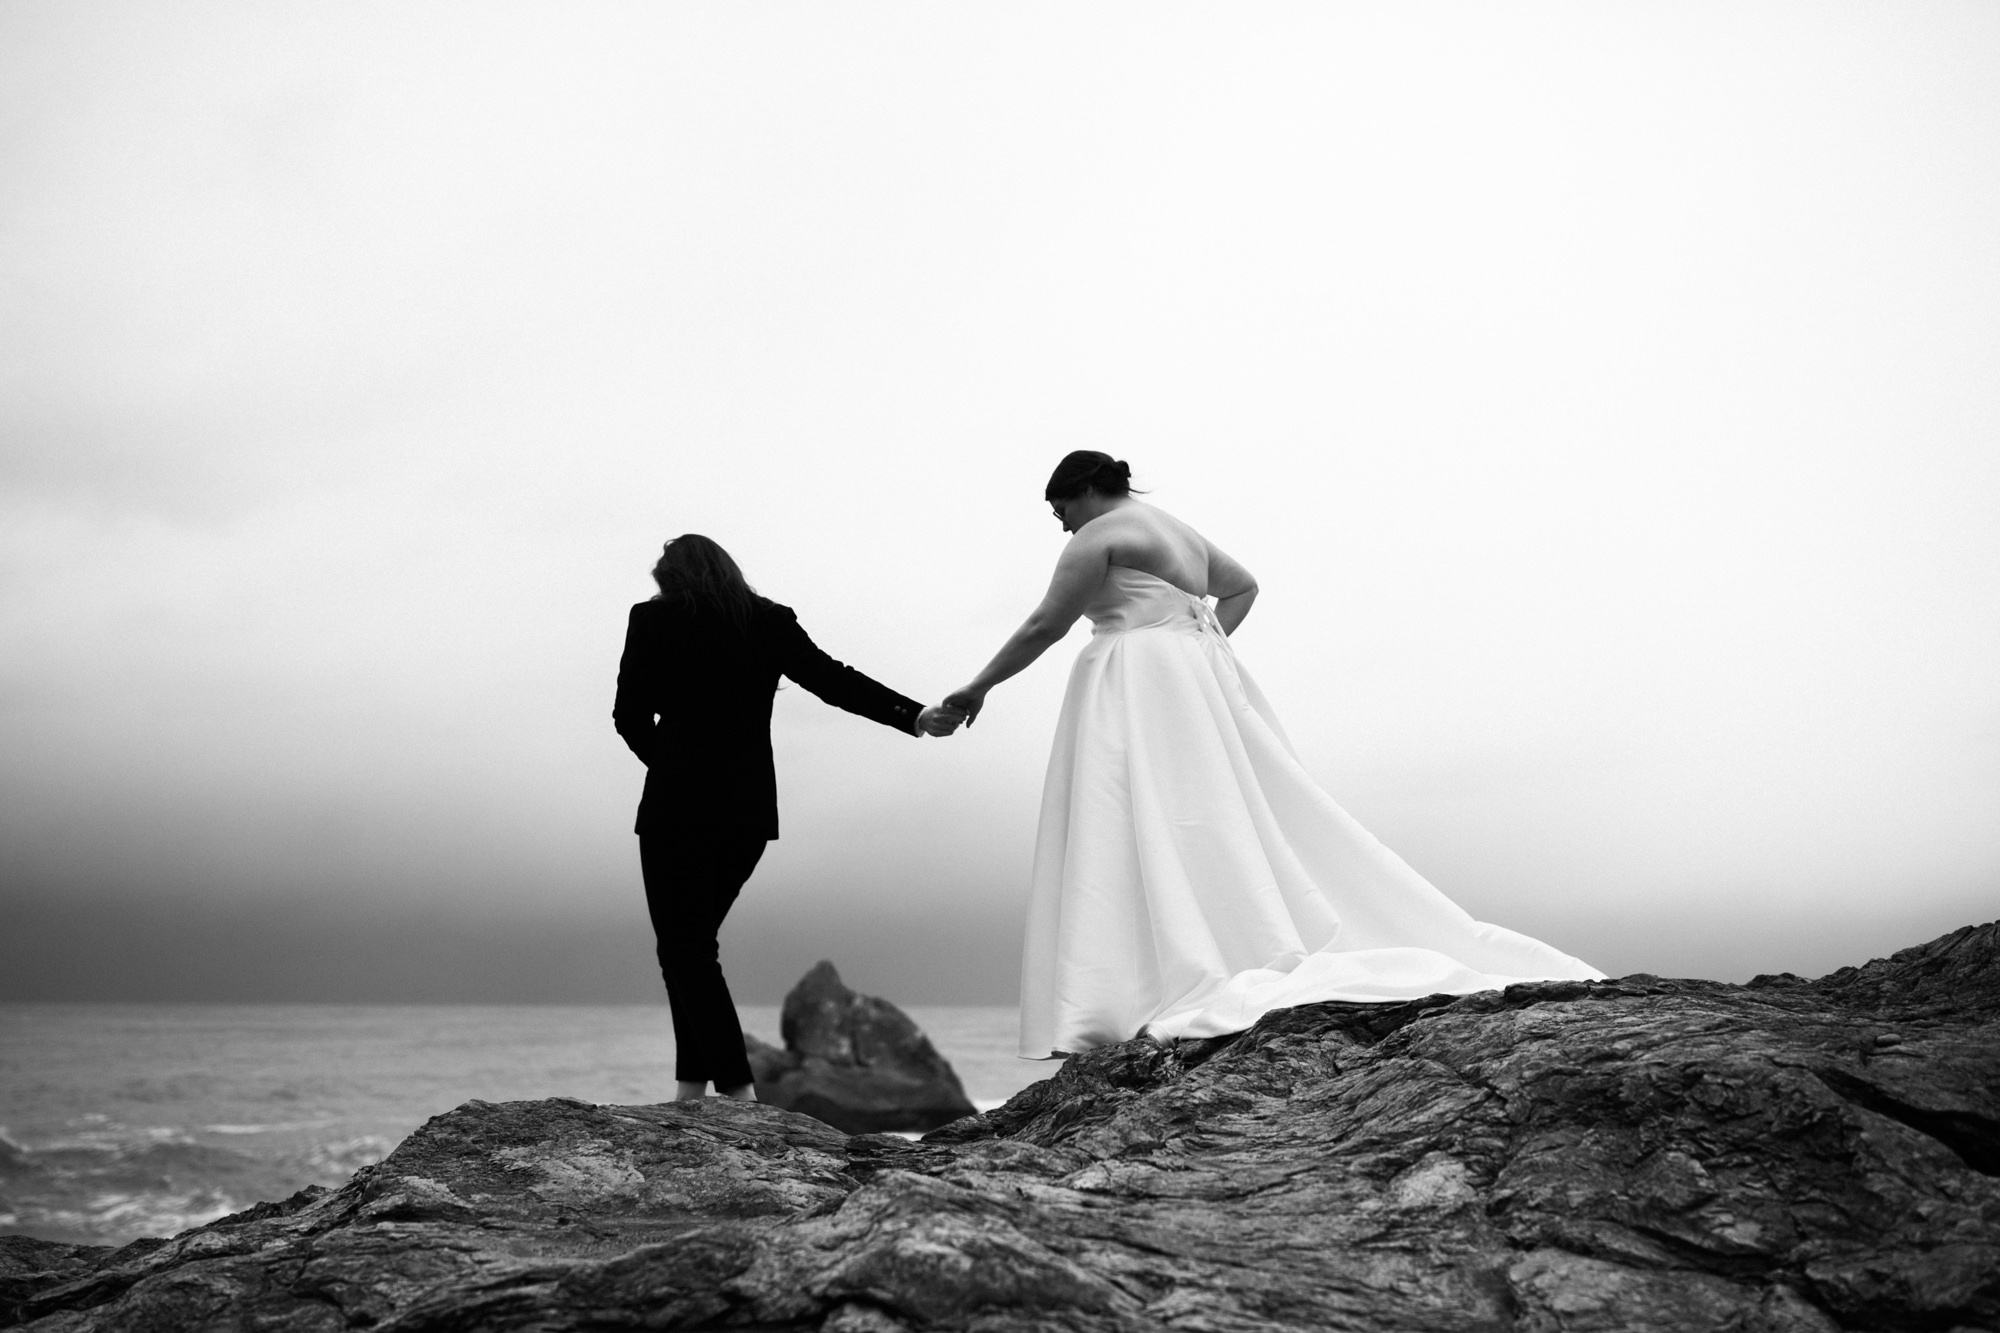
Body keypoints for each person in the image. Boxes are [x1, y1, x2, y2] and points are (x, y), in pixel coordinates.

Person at [946, 452, 1603, 1058]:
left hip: (1136, 677)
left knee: (1132, 814)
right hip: (1187, 679)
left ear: (1084, 489)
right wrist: (1200, 645)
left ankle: (1128, 990)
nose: (1059, 523)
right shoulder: (1178, 529)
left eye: (1058, 506)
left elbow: (1045, 623)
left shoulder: (1100, 536)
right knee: (1201, 811)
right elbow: (1242, 586)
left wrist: (976, 686)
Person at [615, 535, 962, 1100]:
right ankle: (690, 1090)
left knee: (685, 948)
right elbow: (832, 680)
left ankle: (734, 1095)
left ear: (670, 578)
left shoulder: (652, 620)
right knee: (689, 946)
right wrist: (913, 715)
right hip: (746, 810)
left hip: (675, 806)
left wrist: (674, 765)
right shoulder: (768, 619)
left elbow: (628, 714)